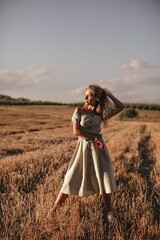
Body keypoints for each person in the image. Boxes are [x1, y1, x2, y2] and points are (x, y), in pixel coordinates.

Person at [47, 84, 125, 223]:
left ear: (97, 98)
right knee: (71, 176)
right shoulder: (79, 111)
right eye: (86, 94)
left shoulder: (100, 113)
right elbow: (76, 132)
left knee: (104, 177)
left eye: (89, 95)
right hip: (83, 148)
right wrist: (94, 137)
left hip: (99, 150)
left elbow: (121, 106)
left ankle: (109, 212)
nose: (85, 97)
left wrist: (109, 95)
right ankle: (54, 210)